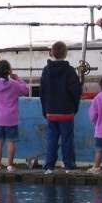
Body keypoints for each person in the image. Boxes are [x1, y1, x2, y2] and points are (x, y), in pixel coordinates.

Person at [39, 41, 82, 174]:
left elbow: (42, 92)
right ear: (66, 53)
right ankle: (69, 166)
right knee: (67, 138)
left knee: (52, 138)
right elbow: (75, 91)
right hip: (66, 111)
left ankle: (49, 166)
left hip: (51, 111)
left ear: (51, 53)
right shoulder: (69, 71)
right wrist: (75, 107)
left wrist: (45, 110)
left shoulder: (46, 70)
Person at [0, 59, 28, 172]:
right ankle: (10, 166)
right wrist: (18, 78)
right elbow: (26, 90)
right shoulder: (14, 84)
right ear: (8, 71)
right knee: (11, 142)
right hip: (11, 119)